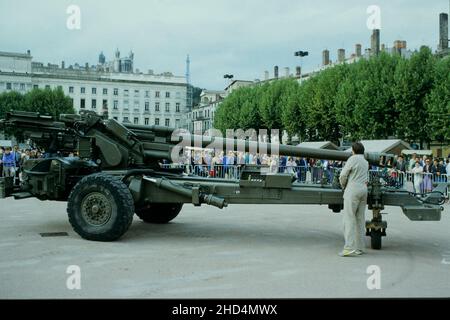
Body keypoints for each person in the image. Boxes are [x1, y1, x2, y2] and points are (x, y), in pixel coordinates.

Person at [338, 142, 369, 257]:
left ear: (353, 150)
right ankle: (359, 247)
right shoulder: (365, 161)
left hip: (353, 189)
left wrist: (343, 185)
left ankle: (349, 248)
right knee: (360, 219)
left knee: (349, 219)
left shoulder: (352, 159)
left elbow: (343, 175)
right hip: (363, 189)